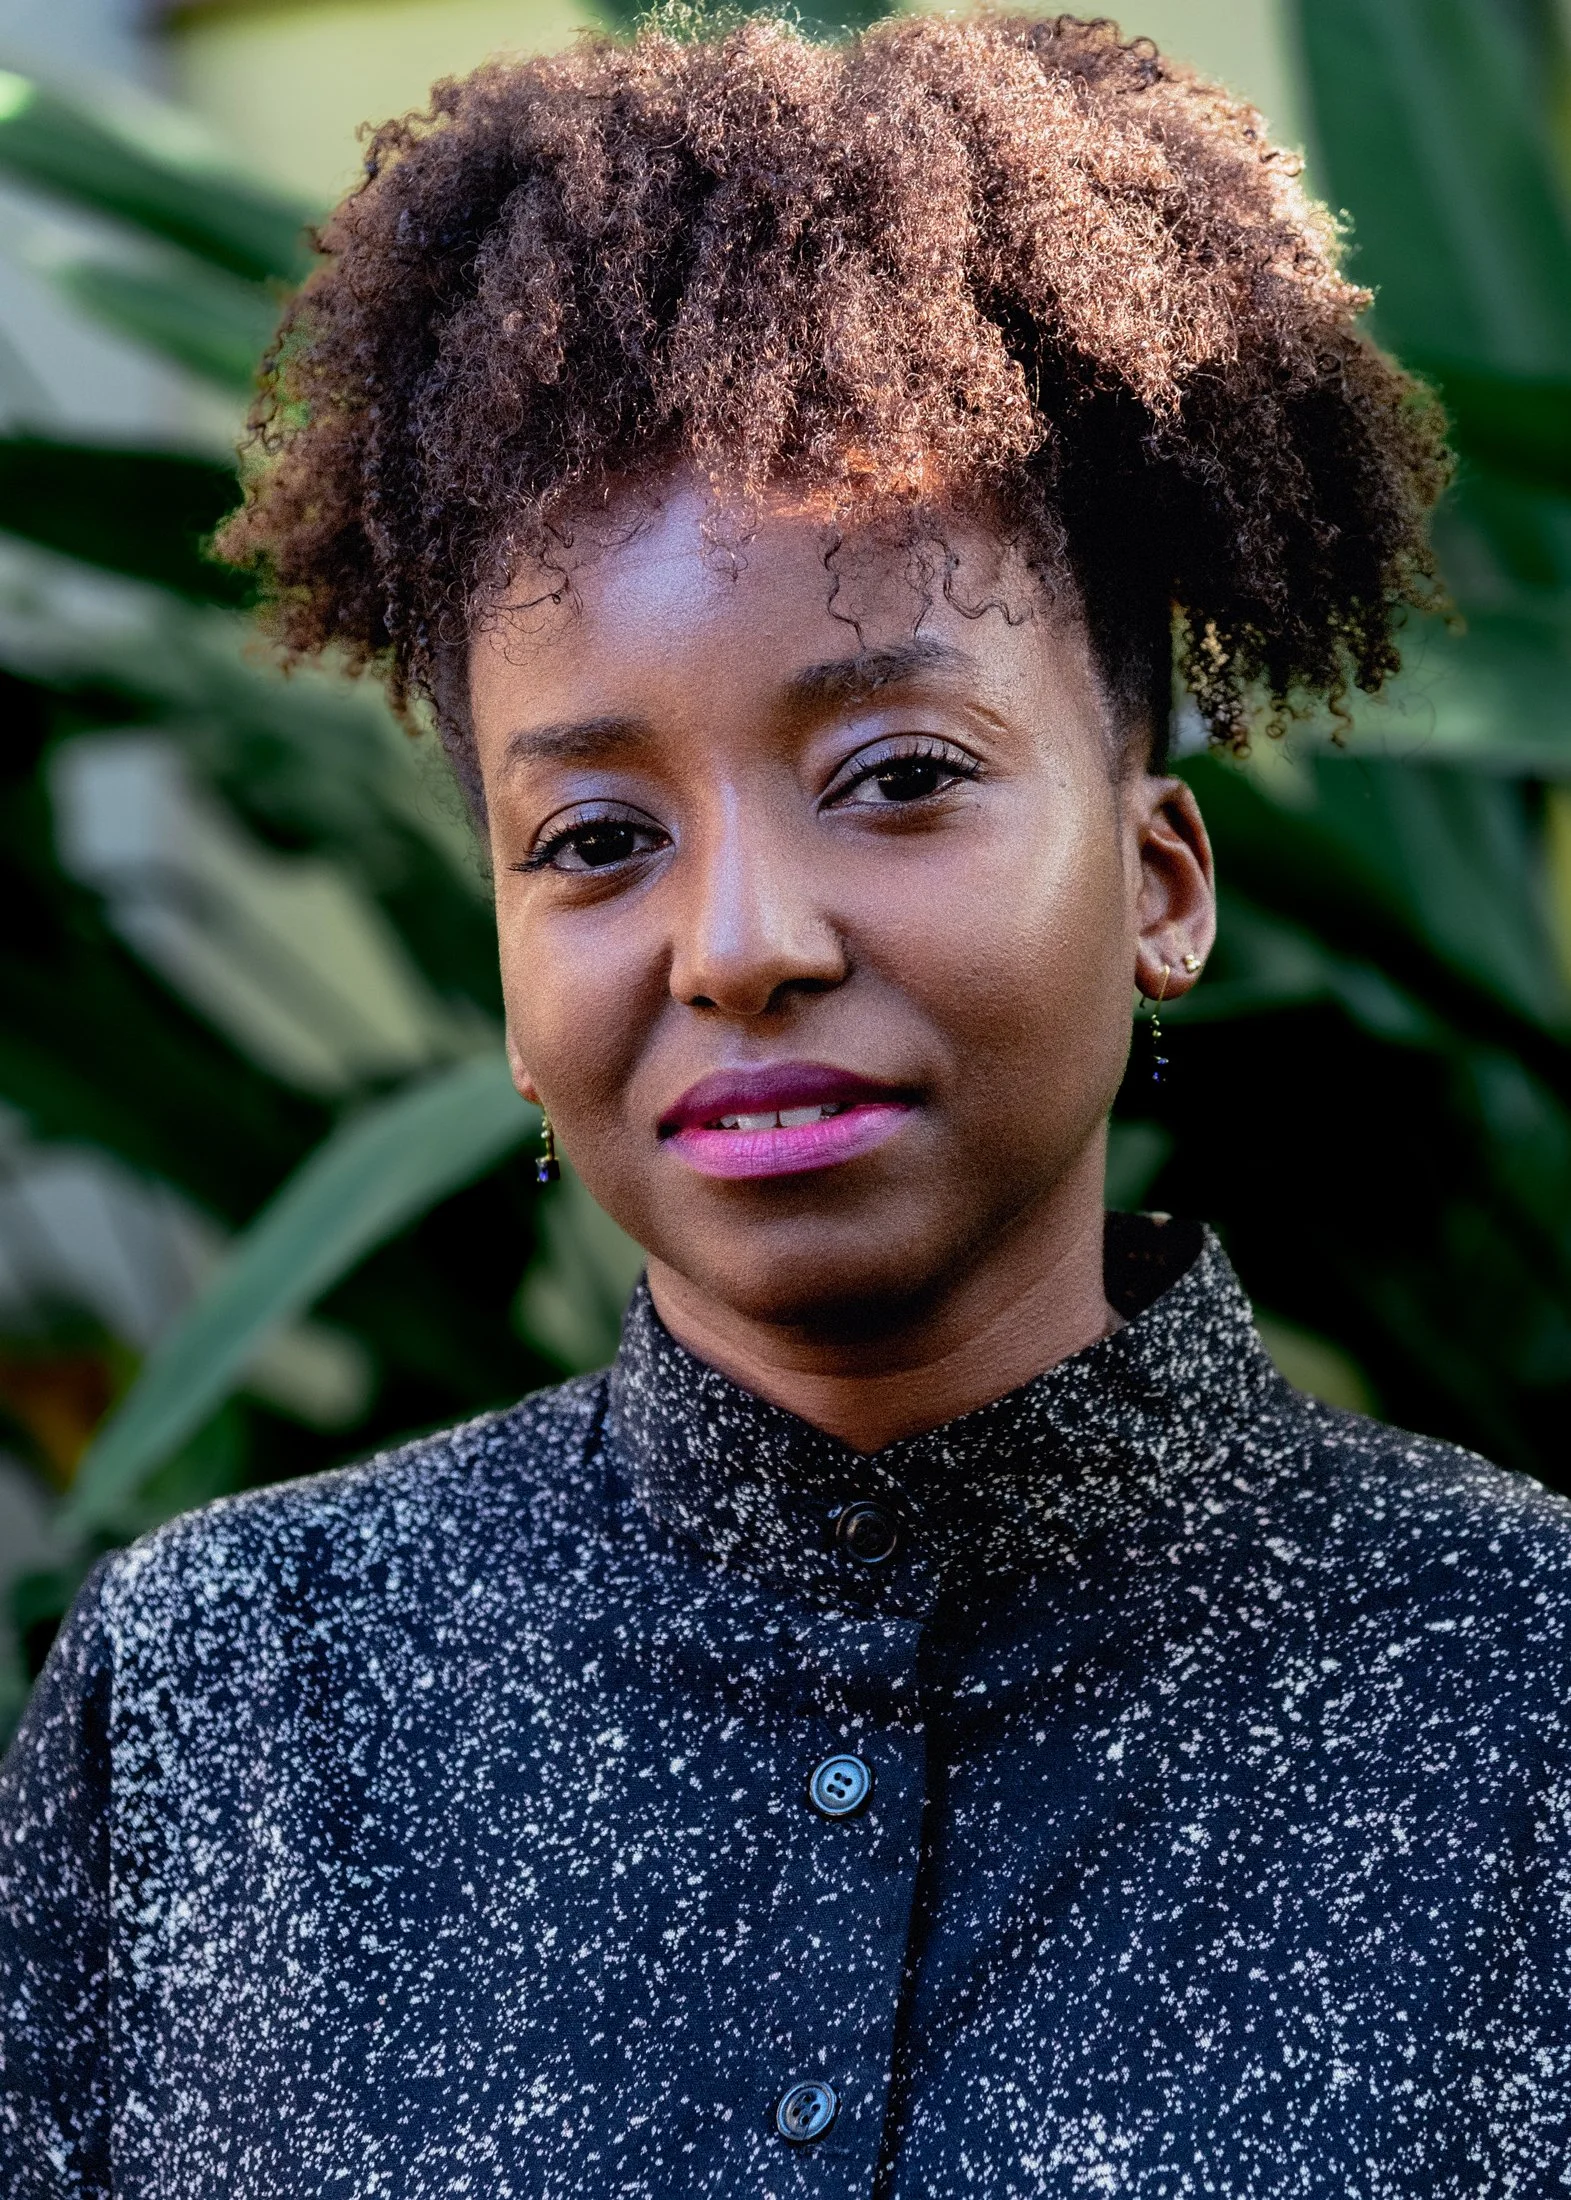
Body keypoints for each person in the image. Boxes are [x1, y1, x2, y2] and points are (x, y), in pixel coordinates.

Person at [3, 14, 1565, 2195]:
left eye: (893, 777)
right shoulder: (223, 1709)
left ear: (1158, 878)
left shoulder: (1521, 1711)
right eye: (592, 839)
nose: (737, 943)